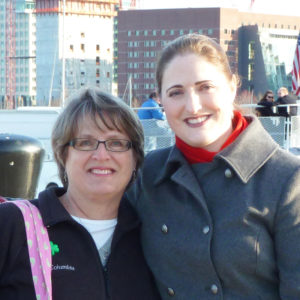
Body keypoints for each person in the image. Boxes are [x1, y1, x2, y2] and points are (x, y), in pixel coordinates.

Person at [127, 34, 300, 299]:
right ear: (160, 98)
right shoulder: (146, 175)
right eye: (176, 92)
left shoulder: (288, 179)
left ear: (232, 88)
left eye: (205, 87)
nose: (193, 106)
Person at [0, 87, 160, 300]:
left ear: (135, 159)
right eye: (85, 143)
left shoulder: (153, 234)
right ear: (62, 155)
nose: (101, 155)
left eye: (116, 143)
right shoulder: (12, 225)